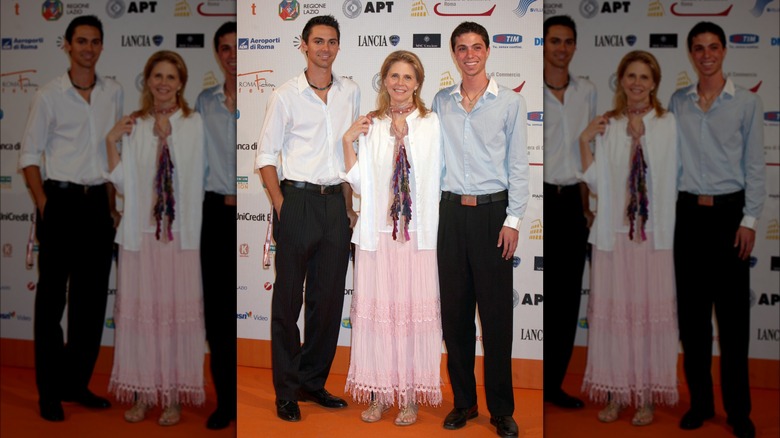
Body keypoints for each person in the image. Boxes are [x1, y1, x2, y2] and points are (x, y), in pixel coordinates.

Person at [255, 14, 359, 422]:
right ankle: (286, 391)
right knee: (287, 302)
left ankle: (312, 383)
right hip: (296, 201)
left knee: (329, 302)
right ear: (303, 45)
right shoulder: (285, 95)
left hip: (336, 204)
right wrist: (282, 204)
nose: (325, 48)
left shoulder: (350, 92)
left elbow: (350, 153)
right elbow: (265, 157)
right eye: (318, 41)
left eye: (332, 41)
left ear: (337, 46)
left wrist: (350, 207)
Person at [19, 14, 122, 422]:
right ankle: (49, 392)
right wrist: (45, 203)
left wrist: (113, 205)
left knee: (91, 303)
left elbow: (112, 153)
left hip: (98, 205)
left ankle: (75, 383)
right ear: (67, 45)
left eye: (95, 41)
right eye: (81, 41)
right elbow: (28, 158)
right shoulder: (48, 95)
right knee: (50, 303)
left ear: (100, 47)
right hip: (59, 204)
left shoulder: (113, 92)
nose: (88, 48)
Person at [432, 21, 529, 437]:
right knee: (455, 318)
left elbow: (519, 166)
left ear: (488, 51)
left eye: (476, 47)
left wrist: (513, 220)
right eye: (461, 48)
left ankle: (502, 410)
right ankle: (464, 403)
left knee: (495, 320)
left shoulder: (509, 103)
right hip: (450, 215)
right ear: (453, 54)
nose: (469, 54)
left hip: (494, 216)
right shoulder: (440, 101)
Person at [669, 21, 764, 438]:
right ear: (691, 54)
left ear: (724, 51)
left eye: (713, 47)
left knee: (733, 324)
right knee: (692, 323)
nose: (706, 54)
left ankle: (739, 411)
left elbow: (756, 166)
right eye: (698, 48)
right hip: (687, 217)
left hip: (730, 219)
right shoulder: (678, 101)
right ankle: (702, 405)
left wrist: (749, 220)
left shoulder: (745, 103)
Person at [105, 50, 206, 427]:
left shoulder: (192, 123)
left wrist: (170, 142)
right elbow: (119, 180)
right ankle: (144, 393)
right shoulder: (134, 123)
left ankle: (173, 396)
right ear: (148, 81)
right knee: (142, 320)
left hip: (179, 237)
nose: (163, 83)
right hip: (140, 236)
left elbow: (196, 175)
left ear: (181, 83)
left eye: (170, 77)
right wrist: (112, 140)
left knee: (175, 319)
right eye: (157, 76)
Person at [341, 50, 442, 427]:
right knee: (380, 318)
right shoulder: (372, 122)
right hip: (378, 235)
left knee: (412, 318)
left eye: (407, 77)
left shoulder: (430, 123)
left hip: (415, 236)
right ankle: (381, 393)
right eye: (393, 76)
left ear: (418, 83)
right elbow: (358, 181)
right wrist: (349, 140)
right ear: (384, 80)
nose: (400, 83)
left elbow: (431, 176)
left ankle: (410, 396)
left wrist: (406, 142)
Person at [578, 50, 679, 426]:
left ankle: (646, 397)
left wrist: (644, 142)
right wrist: (585, 139)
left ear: (654, 83)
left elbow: (670, 176)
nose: (637, 83)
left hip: (652, 238)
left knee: (648, 319)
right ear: (621, 80)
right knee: (615, 320)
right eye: (630, 76)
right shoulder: (610, 123)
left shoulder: (667, 123)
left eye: (644, 77)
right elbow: (593, 180)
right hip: (614, 236)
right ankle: (617, 393)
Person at [541, 14, 595, 410]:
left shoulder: (586, 92)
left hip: (572, 205)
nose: (561, 48)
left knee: (565, 301)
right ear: (544, 44)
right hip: (538, 201)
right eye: (554, 40)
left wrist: (589, 202)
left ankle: (554, 385)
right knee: (540, 296)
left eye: (567, 41)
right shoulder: (528, 90)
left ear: (575, 46)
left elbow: (588, 152)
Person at [195, 20, 237, 431]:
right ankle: (225, 401)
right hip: (215, 215)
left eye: (237, 45)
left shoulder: (266, 97)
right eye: (224, 48)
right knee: (219, 315)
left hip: (254, 214)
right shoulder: (204, 102)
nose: (232, 54)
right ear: (217, 53)